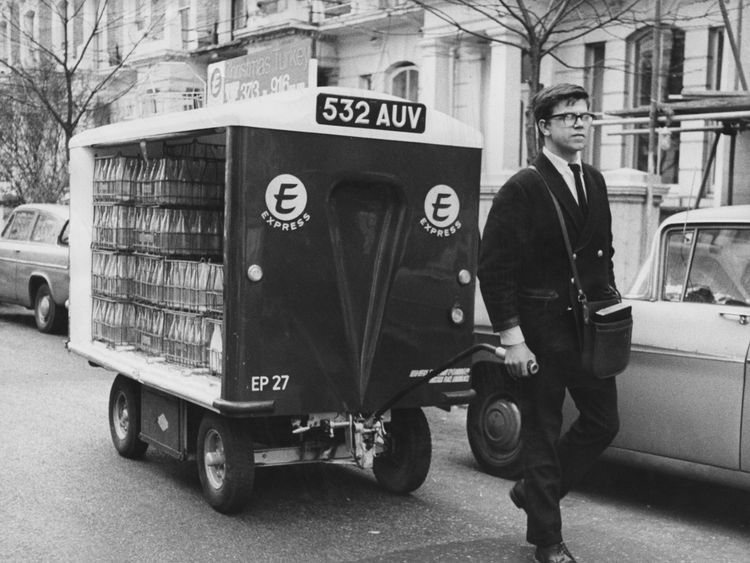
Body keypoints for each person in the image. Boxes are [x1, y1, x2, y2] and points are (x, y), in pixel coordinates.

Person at [477, 83, 620, 563]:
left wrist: (609, 308)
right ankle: (547, 541)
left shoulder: (595, 180)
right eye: (568, 117)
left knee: (603, 423)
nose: (580, 123)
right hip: (540, 335)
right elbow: (495, 270)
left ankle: (533, 493)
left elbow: (605, 257)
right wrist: (513, 339)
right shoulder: (524, 187)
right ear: (544, 126)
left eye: (585, 115)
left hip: (588, 332)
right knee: (541, 431)